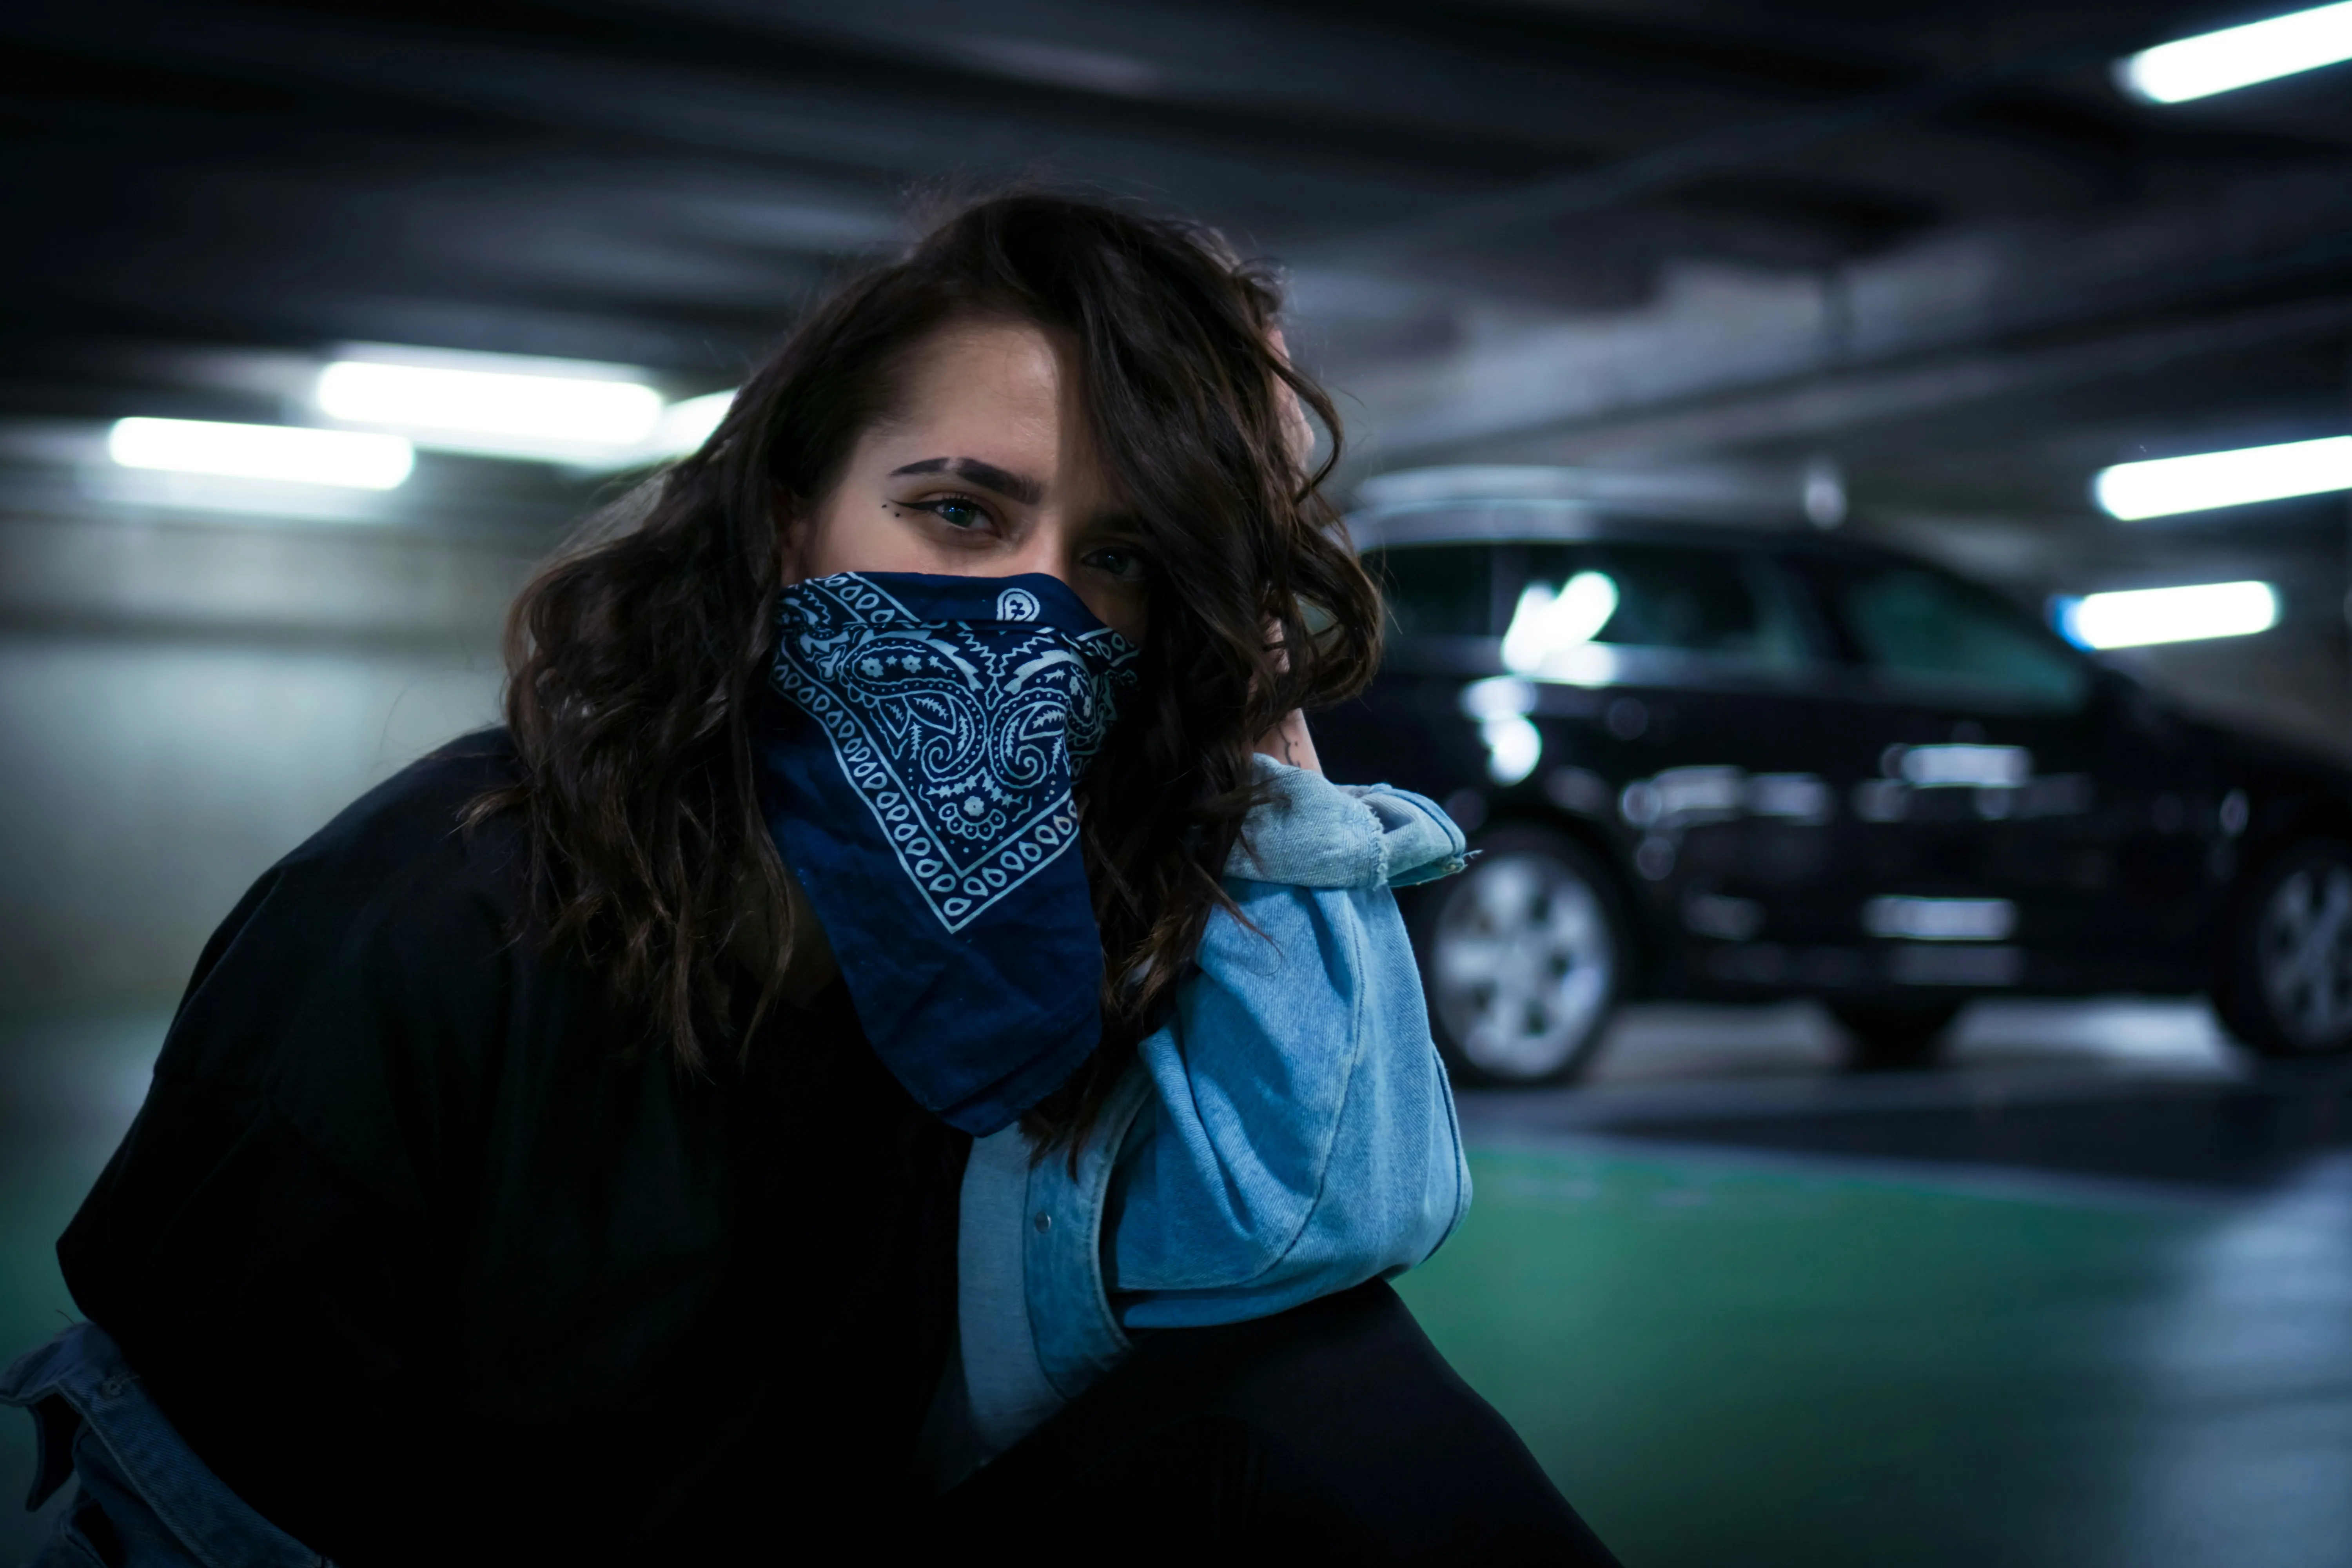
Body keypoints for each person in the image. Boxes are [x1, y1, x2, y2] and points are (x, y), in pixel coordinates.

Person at [2, 194, 1619, 1564]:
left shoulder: (1057, 912)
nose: (1032, 608)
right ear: (791, 525)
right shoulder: (429, 917)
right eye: (957, 512)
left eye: (1120, 556)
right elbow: (188, 1509)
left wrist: (1256, 646)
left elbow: (1336, 1217)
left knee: (1333, 1388)